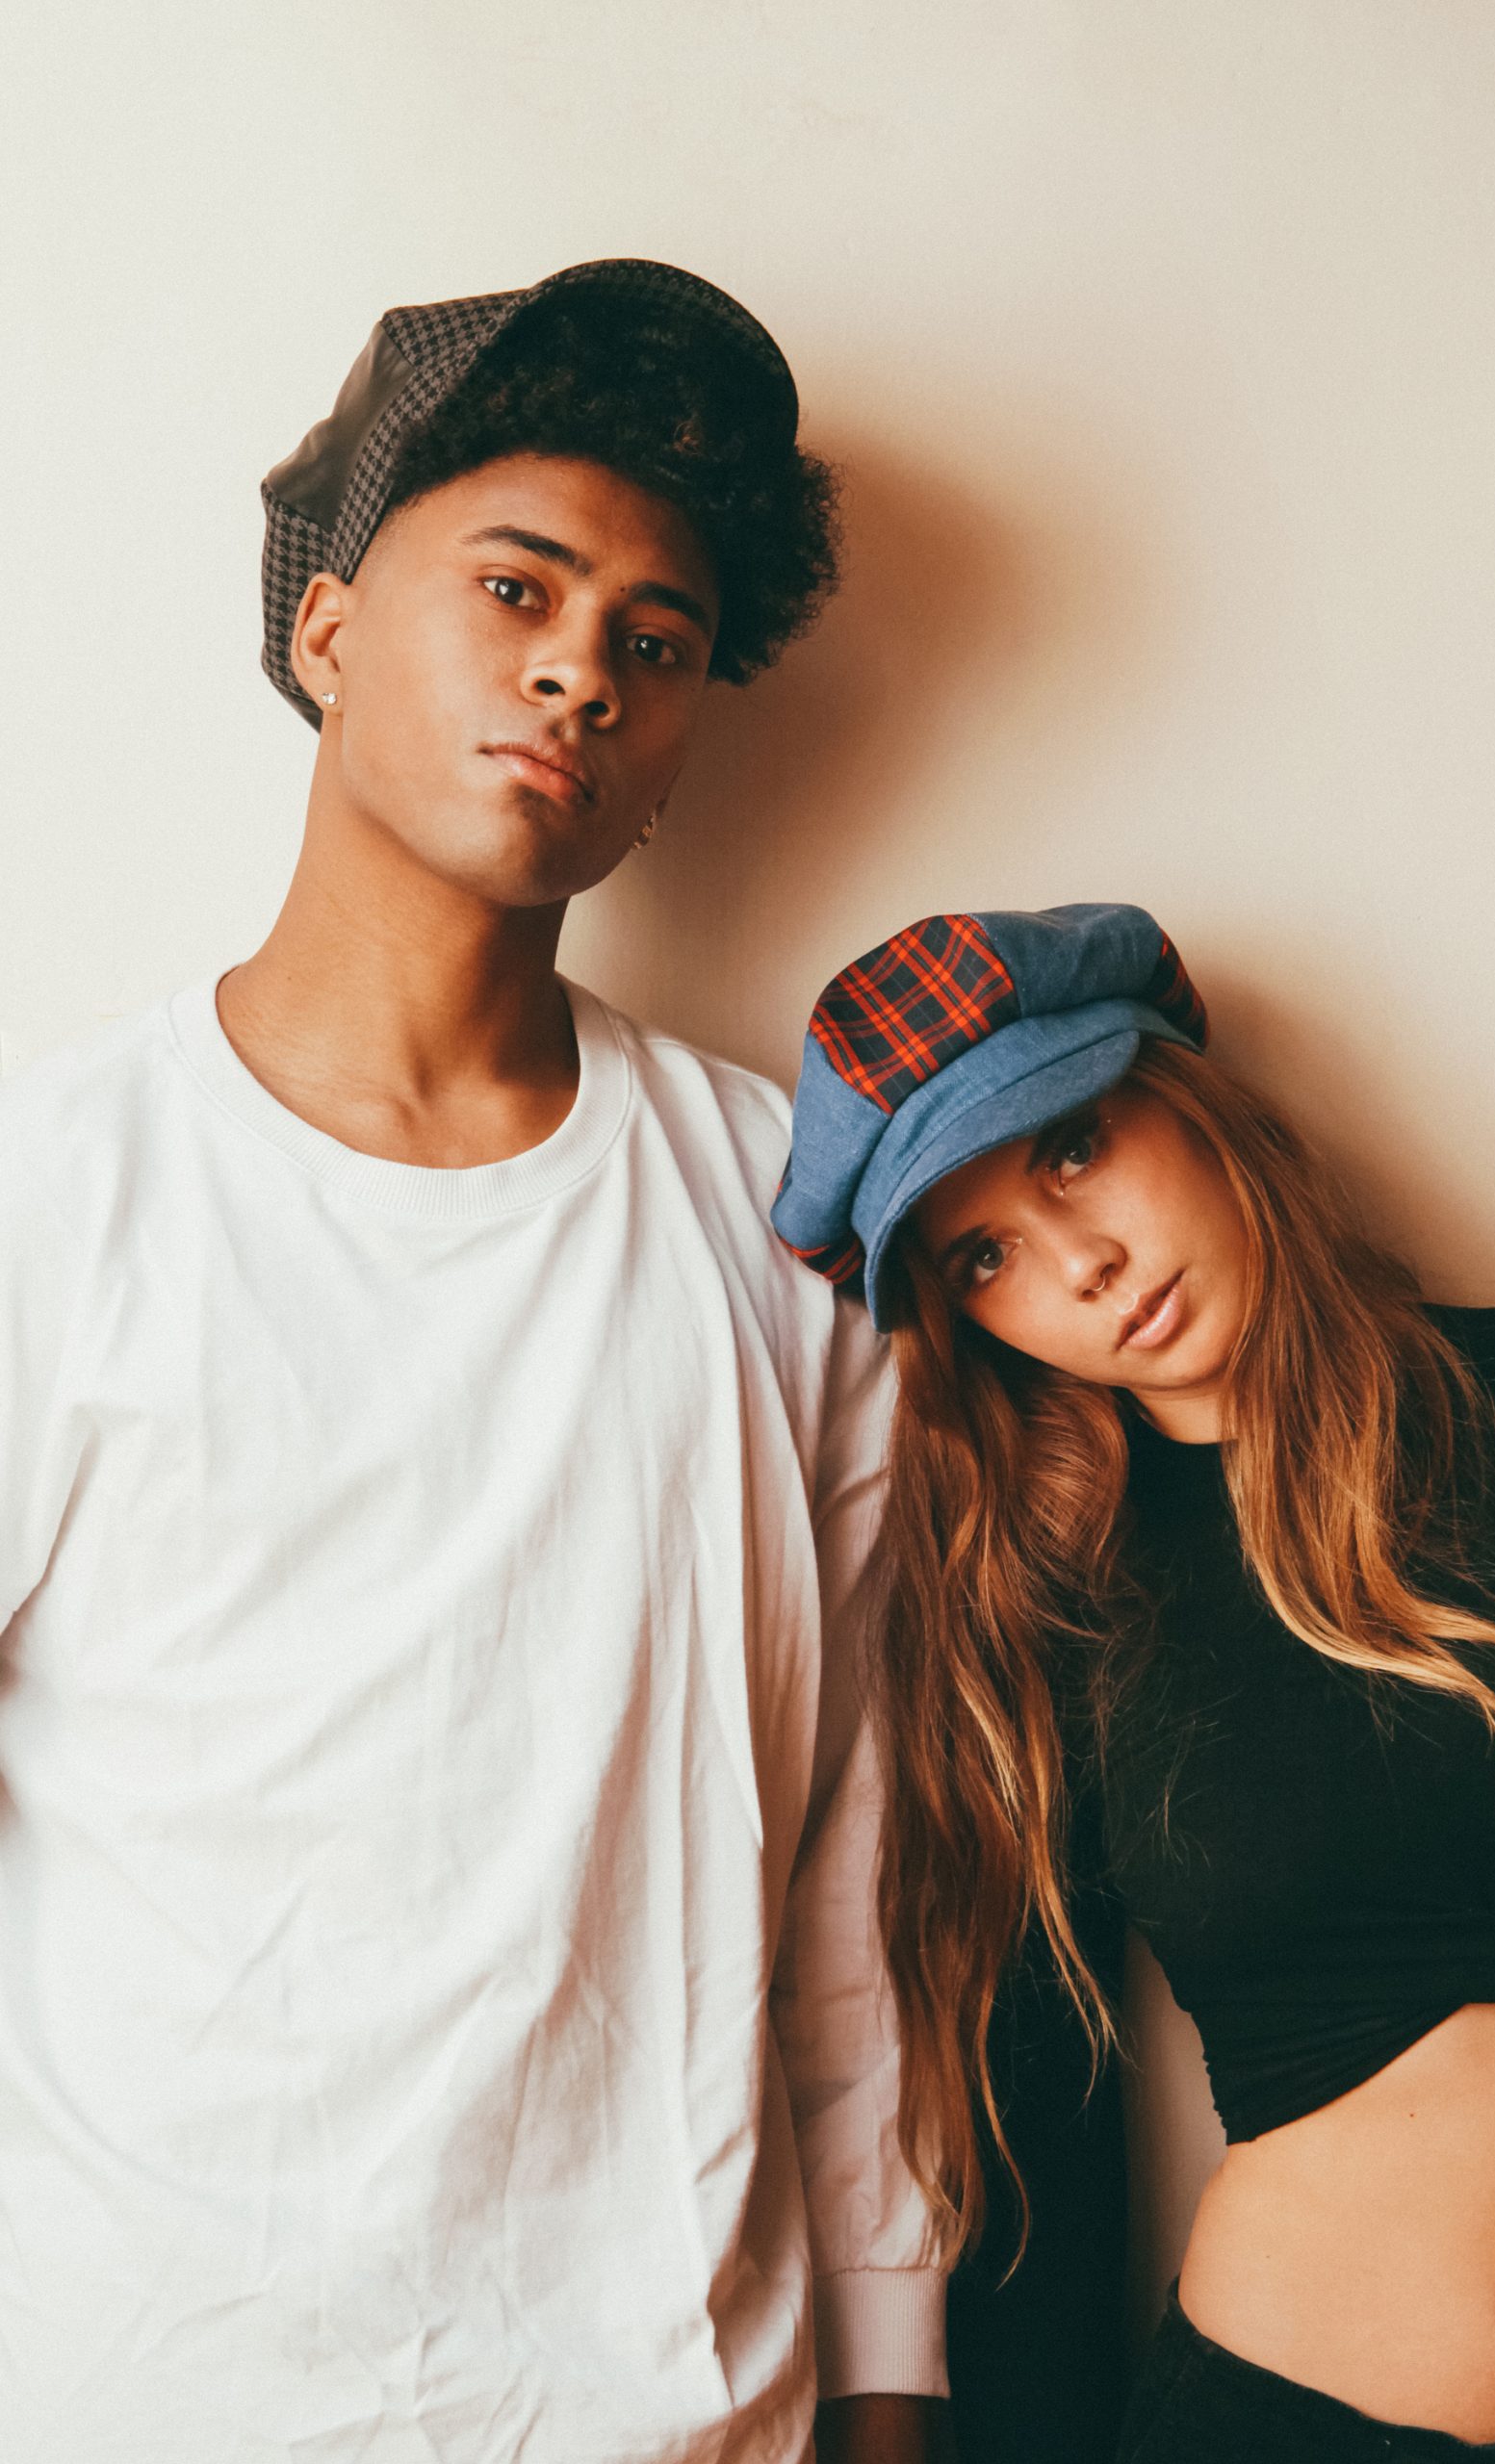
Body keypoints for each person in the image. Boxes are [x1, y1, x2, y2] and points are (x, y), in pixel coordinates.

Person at [0, 262, 948, 2463]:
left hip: (673, 2411)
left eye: (656, 640)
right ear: (327, 628)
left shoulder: (784, 1222)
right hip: (144, 2395)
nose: (579, 669)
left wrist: (889, 2380)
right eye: (516, 586)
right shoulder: (60, 1189)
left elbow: (848, 1877)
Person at [771, 899, 1495, 2460]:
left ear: (1184, 1094)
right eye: (987, 1258)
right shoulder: (1051, 1608)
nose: (1084, 1265)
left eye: (1072, 1149)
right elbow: (1038, 2150)